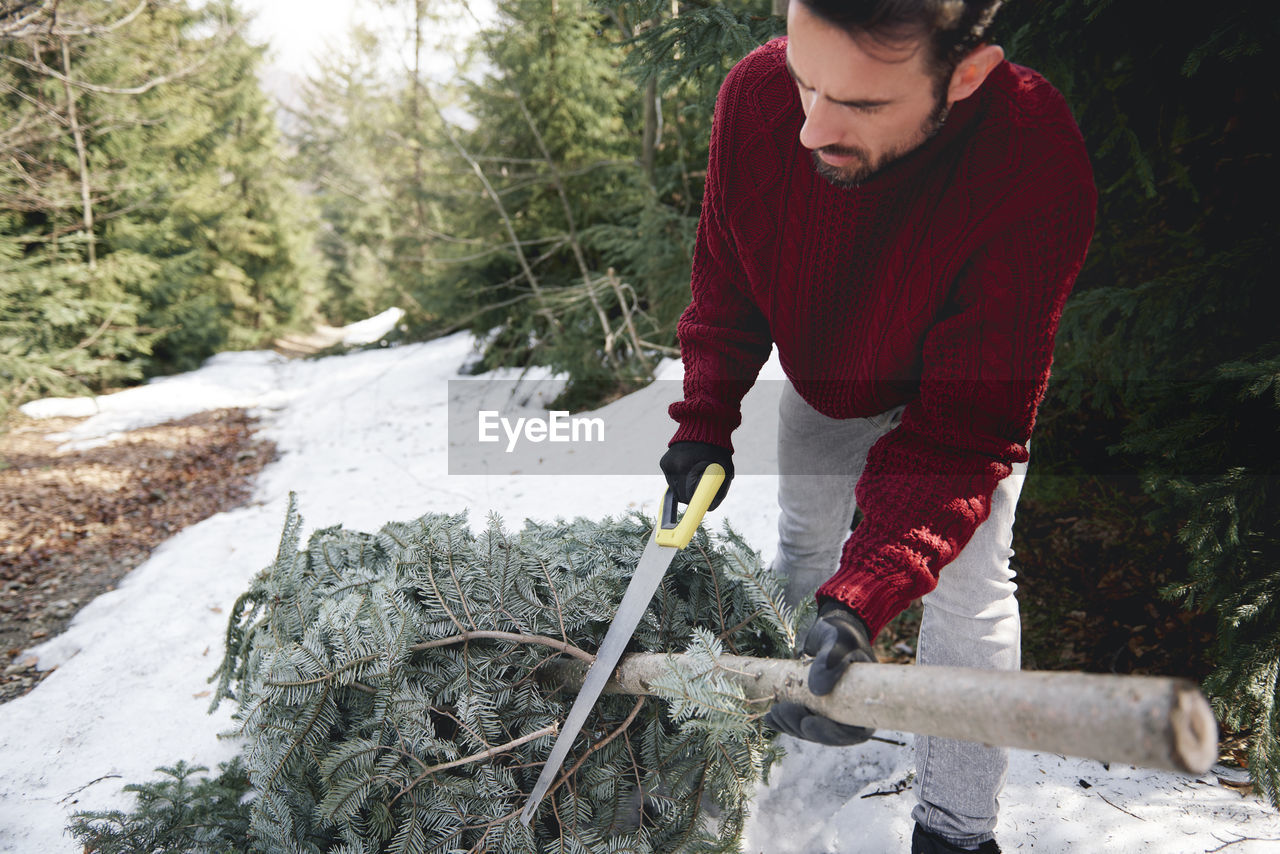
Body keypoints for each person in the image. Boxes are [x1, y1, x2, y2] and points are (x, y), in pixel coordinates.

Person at [658, 1, 1096, 851]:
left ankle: (956, 829)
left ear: (964, 77)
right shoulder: (755, 95)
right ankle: (794, 724)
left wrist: (870, 596)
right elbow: (725, 271)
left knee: (972, 590)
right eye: (805, 80)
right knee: (805, 544)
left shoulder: (1031, 152)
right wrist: (705, 417)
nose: (810, 129)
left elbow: (966, 433)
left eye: (858, 104)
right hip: (828, 379)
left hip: (960, 401)